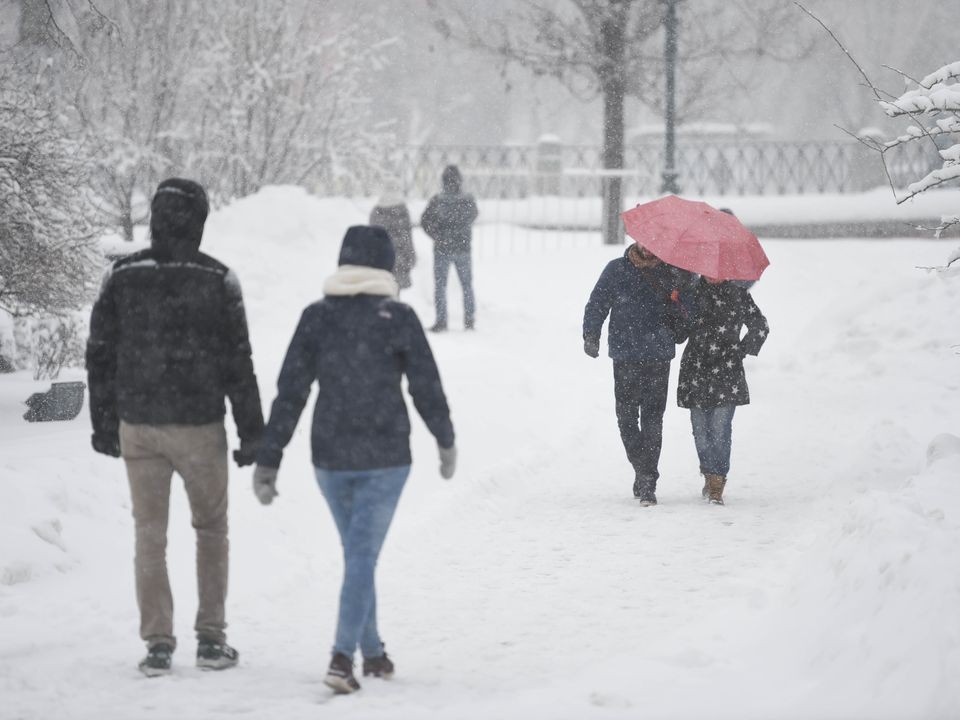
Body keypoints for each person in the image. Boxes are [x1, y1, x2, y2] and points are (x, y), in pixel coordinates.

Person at [251, 225, 457, 694]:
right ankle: (342, 659)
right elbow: (425, 384)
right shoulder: (397, 316)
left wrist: (270, 457)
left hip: (330, 457)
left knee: (358, 555)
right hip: (387, 457)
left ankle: (374, 653)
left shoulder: (317, 317)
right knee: (361, 556)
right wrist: (444, 439)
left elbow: (291, 392)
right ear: (386, 267)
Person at [86, 178, 264, 677]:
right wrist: (252, 432)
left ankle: (158, 644)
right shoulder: (218, 279)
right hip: (199, 425)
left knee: (149, 533)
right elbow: (238, 362)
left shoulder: (122, 276)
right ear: (200, 223)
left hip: (139, 426)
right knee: (211, 529)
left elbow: (100, 354)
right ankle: (210, 639)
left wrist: (104, 423)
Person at [583, 242, 688, 506]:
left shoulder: (673, 272)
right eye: (644, 242)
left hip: (658, 354)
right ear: (636, 240)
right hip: (625, 355)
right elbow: (597, 303)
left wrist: (678, 306)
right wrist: (591, 335)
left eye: (654, 243)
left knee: (653, 418)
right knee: (626, 418)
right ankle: (643, 469)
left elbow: (687, 311)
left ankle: (647, 480)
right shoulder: (616, 269)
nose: (649, 247)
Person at [677, 275, 769, 504]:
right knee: (700, 431)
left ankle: (717, 481)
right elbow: (678, 332)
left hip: (727, 372)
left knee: (720, 428)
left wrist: (742, 350)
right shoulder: (691, 292)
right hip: (696, 370)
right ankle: (709, 472)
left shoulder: (738, 294)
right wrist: (677, 305)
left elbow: (760, 325)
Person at [420, 164, 479, 331]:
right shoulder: (468, 200)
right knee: (466, 285)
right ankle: (469, 320)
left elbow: (424, 221)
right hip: (463, 248)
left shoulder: (437, 200)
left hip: (442, 249)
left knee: (440, 286)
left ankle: (441, 321)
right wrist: (462, 231)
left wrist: (437, 235)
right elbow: (474, 215)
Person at [369, 181, 415, 290]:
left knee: (381, 291)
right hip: (400, 257)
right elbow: (407, 235)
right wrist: (411, 256)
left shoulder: (377, 210)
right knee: (396, 290)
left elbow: (372, 237)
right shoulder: (402, 209)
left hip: (381, 258)